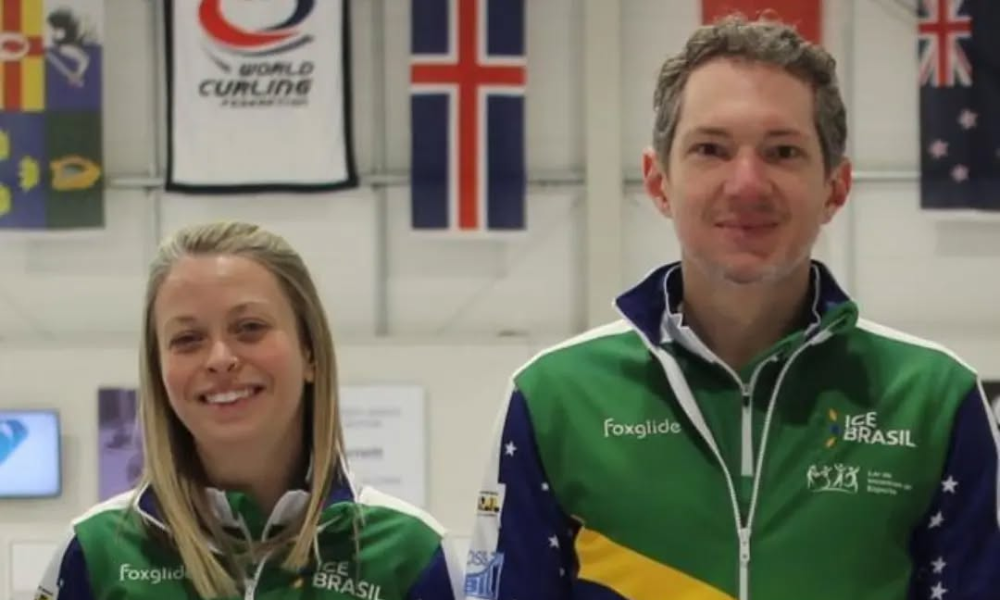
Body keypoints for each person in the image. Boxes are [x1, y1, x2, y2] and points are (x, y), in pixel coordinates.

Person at [463, 14, 1000, 600]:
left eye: (783, 151)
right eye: (711, 149)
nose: (746, 183)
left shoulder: (931, 399)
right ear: (658, 181)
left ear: (835, 188)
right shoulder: (553, 398)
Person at [37, 221, 462, 599]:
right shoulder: (95, 553)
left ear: (309, 352)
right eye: (187, 339)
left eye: (250, 328)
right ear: (159, 370)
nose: (220, 358)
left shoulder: (409, 553)